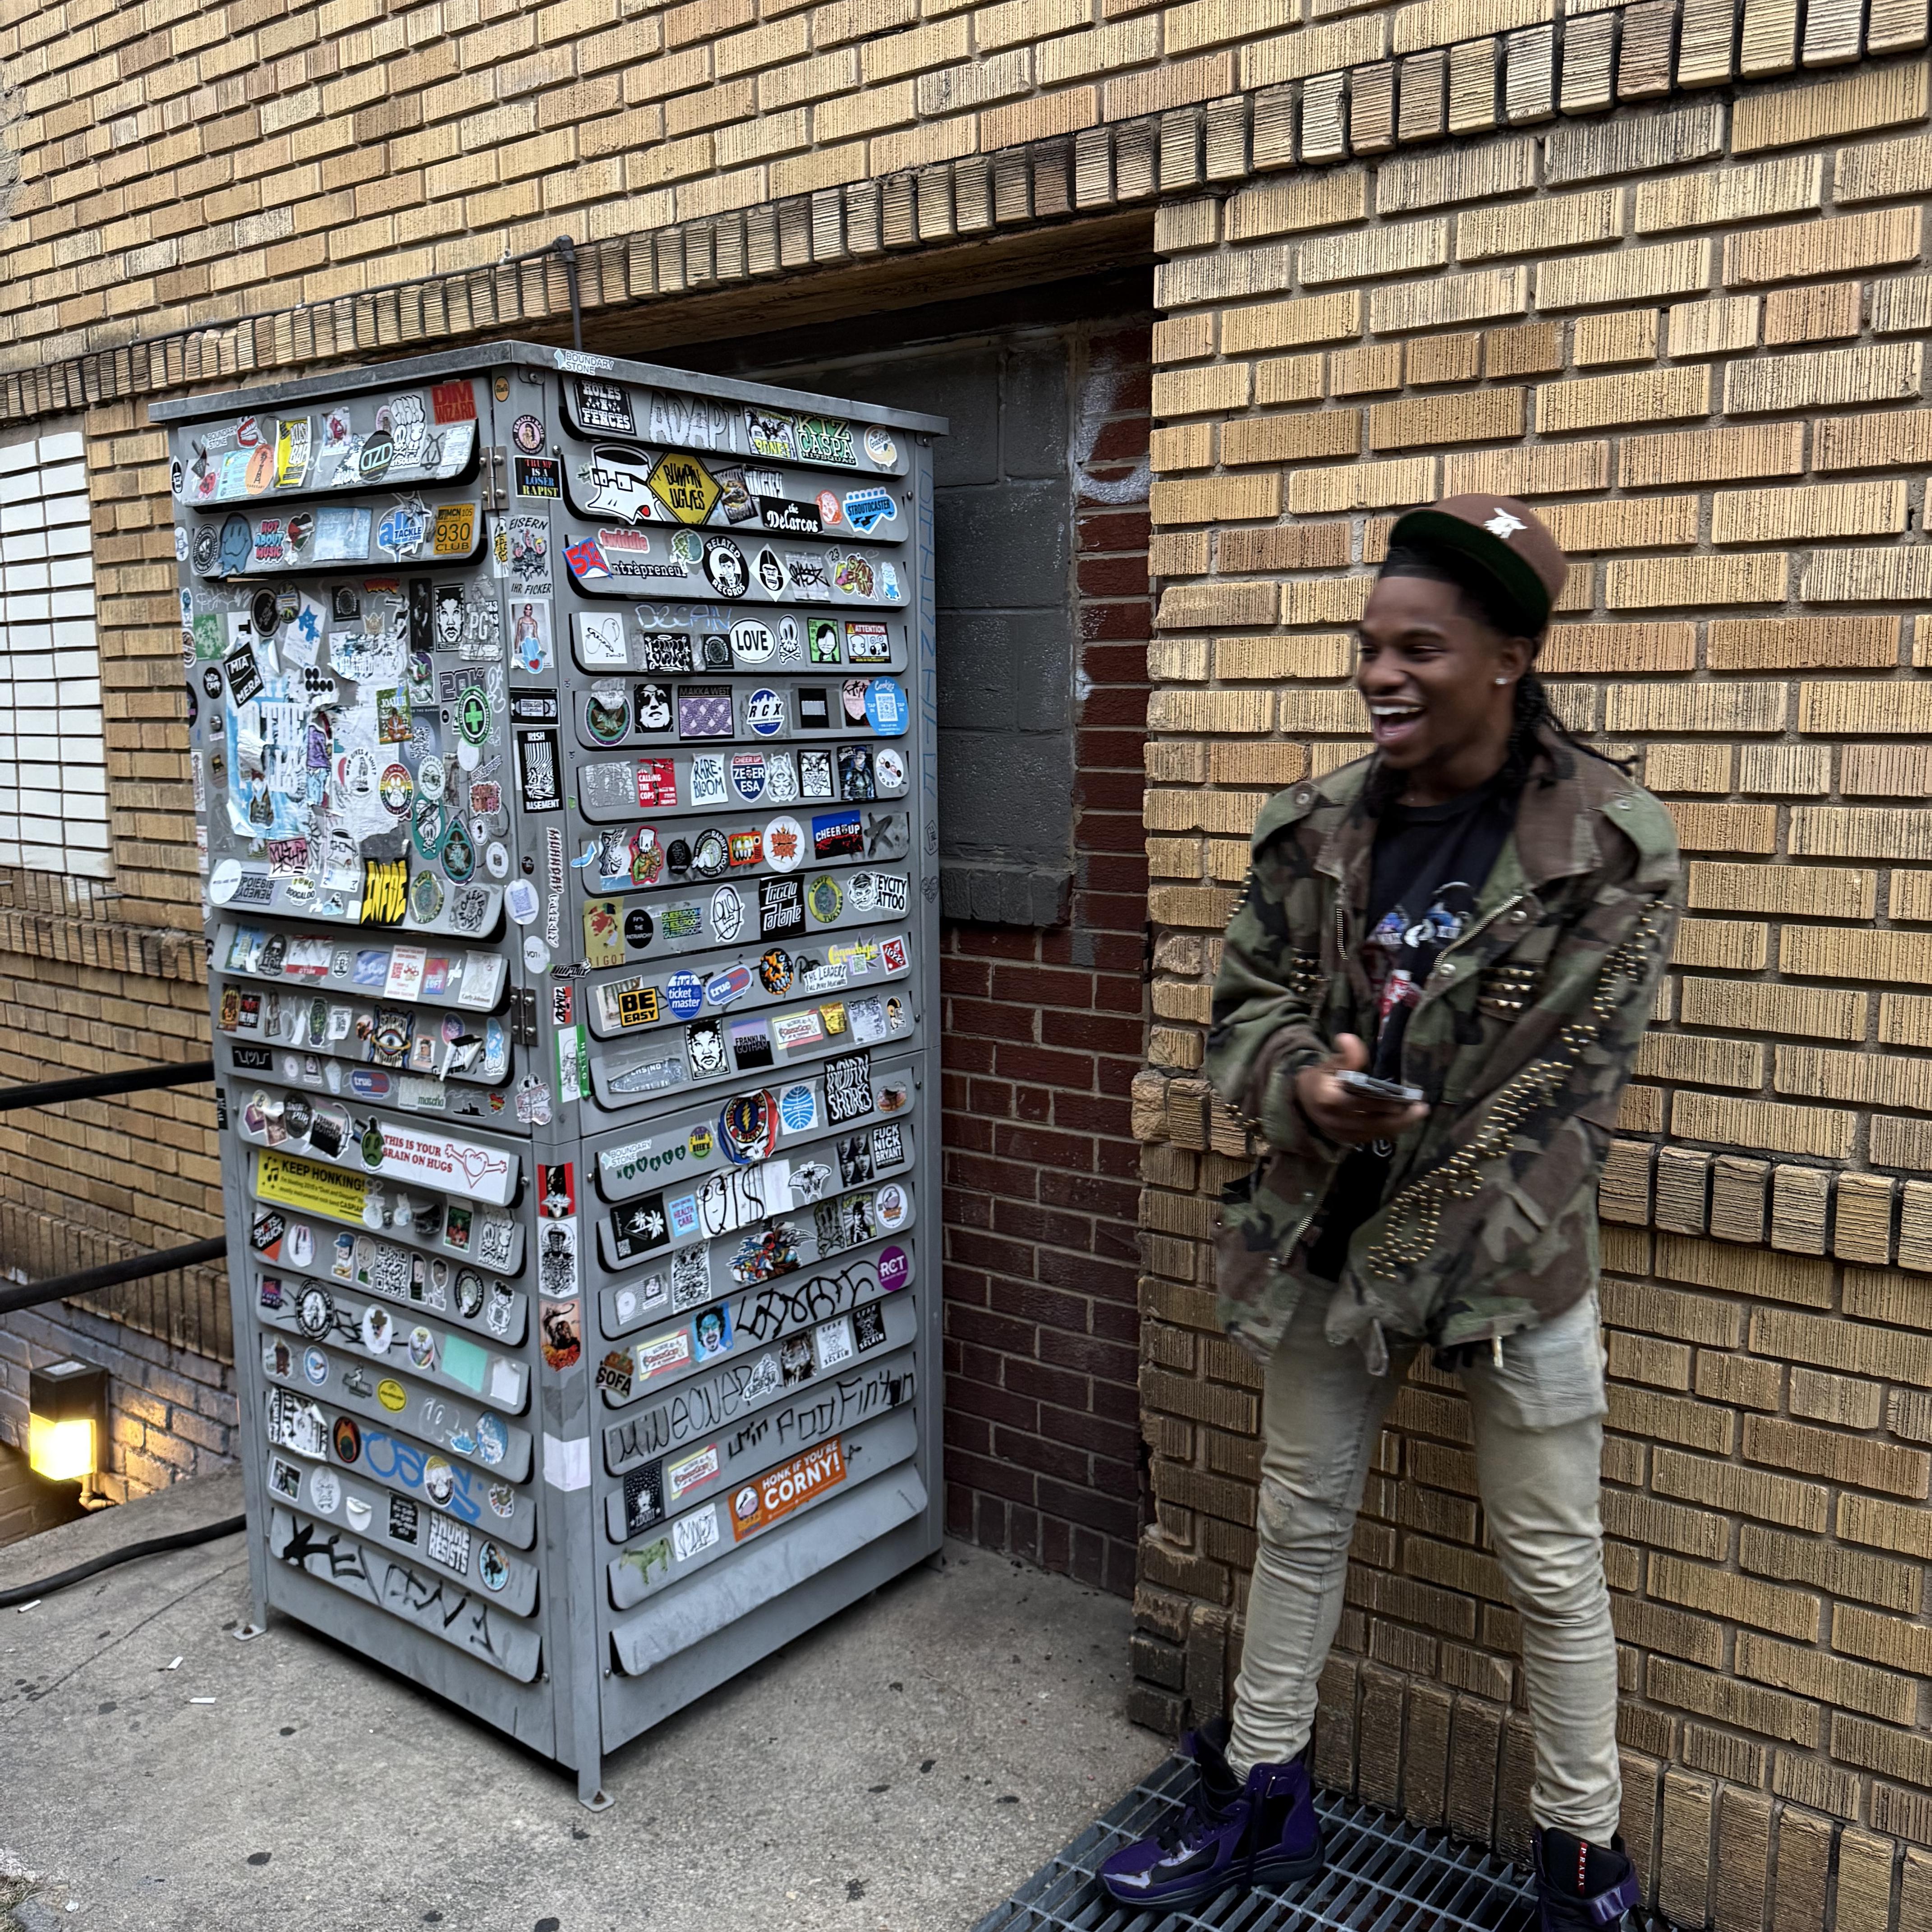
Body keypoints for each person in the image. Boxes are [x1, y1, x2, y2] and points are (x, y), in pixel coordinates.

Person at [1102, 497, 1680, 1929]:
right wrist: (1302, 1083)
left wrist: (1373, 1132)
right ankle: (1265, 1796)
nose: (1380, 673)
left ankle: (1580, 1867)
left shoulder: (1609, 845)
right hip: (1321, 1236)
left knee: (1551, 1569)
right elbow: (1241, 1012)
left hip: (1508, 1265)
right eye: (1369, 645)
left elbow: (1559, 1088)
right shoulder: (1312, 829)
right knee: (1296, 1522)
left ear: (1509, 657)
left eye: (1418, 647)